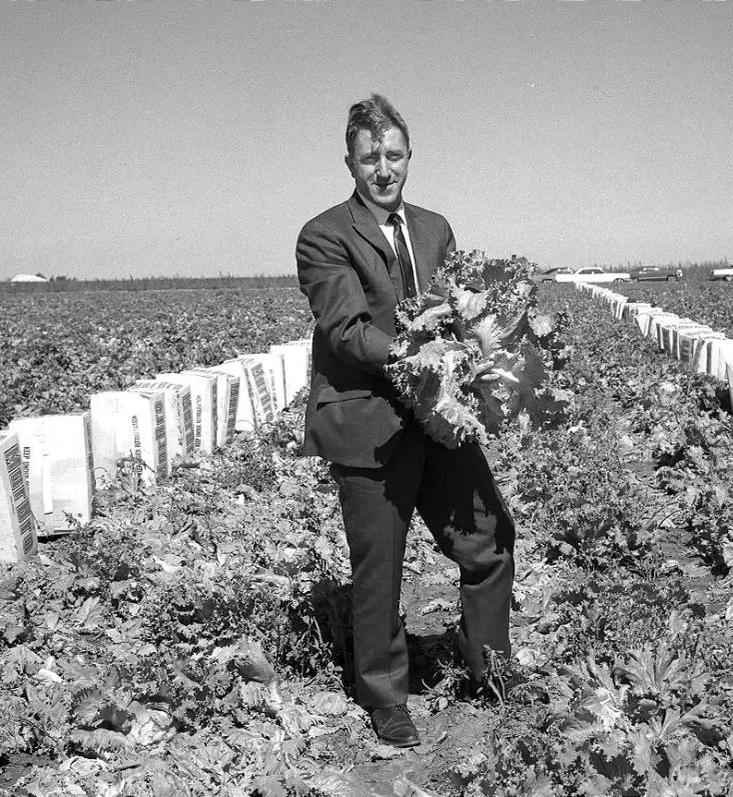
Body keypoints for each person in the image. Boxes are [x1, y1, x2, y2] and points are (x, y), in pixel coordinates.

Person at [295, 94, 516, 748]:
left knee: (489, 532)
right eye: (370, 158)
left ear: (409, 156)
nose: (384, 169)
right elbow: (343, 327)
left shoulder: (434, 227)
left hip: (437, 418)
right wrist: (410, 355)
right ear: (351, 162)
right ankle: (385, 698)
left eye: (394, 155)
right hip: (370, 419)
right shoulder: (324, 234)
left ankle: (492, 670)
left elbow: (454, 306)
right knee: (380, 569)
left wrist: (484, 339)